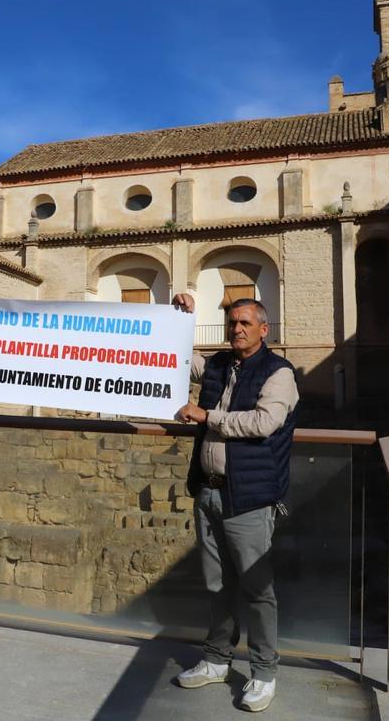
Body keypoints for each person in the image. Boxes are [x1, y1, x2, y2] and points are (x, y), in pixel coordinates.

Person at [170, 293, 298, 713]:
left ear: (264, 329)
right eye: (232, 323)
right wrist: (180, 317)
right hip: (207, 490)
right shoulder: (219, 366)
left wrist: (208, 417)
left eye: (245, 323)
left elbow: (264, 423)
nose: (236, 329)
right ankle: (216, 659)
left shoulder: (279, 373)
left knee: (257, 588)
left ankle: (264, 673)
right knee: (216, 584)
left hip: (248, 496)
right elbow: (174, 357)